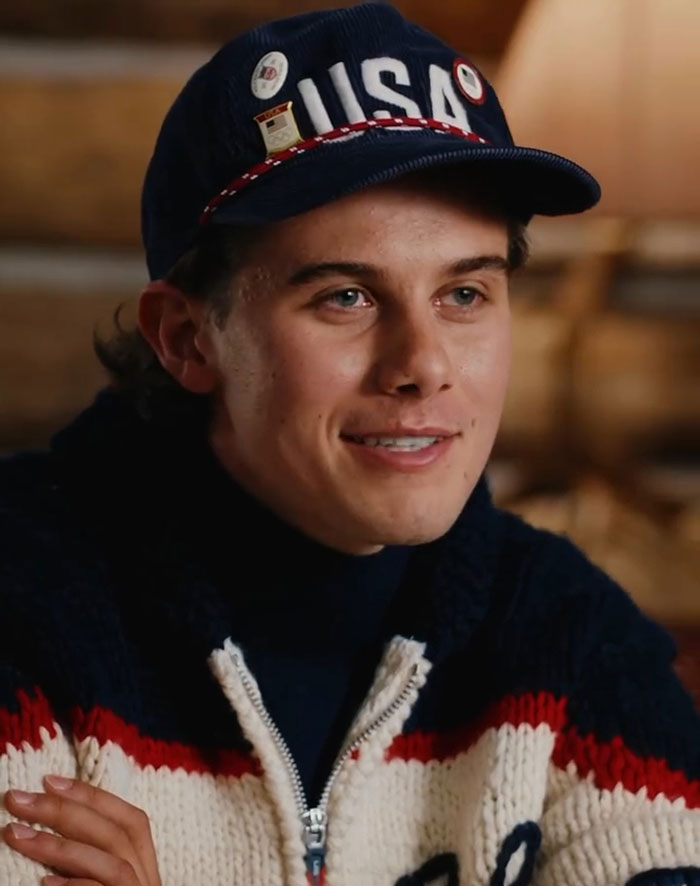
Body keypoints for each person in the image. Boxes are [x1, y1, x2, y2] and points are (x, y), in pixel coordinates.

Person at [1, 4, 699, 885]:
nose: (422, 366)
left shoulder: (571, 645)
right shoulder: (24, 605)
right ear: (186, 338)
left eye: (466, 294)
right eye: (346, 297)